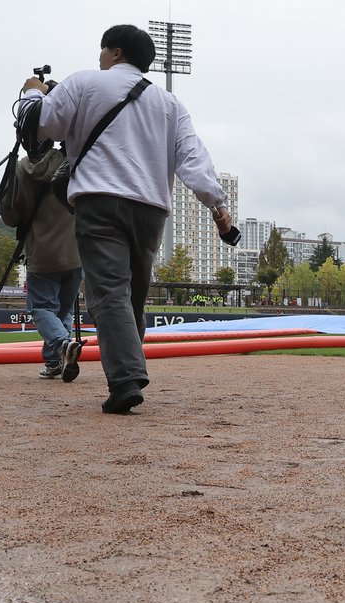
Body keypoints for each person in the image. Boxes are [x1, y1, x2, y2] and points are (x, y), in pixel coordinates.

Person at [19, 24, 235, 413]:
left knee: (108, 292)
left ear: (115, 52)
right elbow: (193, 160)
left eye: (103, 52)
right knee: (132, 297)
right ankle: (129, 373)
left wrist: (31, 92)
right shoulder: (170, 104)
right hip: (151, 209)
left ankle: (125, 380)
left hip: (100, 200)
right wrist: (217, 206)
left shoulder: (84, 83)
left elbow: (39, 127)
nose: (99, 59)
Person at [0, 142, 85, 380]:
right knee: (62, 311)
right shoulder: (74, 160)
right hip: (76, 249)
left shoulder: (21, 168)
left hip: (41, 250)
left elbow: (11, 216)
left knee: (42, 308)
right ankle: (55, 360)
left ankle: (60, 345)